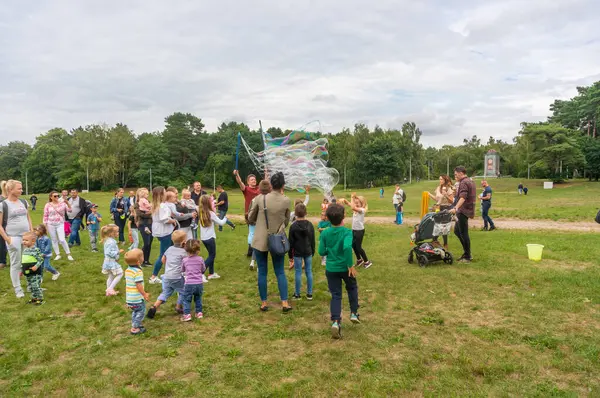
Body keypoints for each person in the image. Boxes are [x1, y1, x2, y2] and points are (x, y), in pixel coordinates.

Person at [247, 172, 292, 313]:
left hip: (260, 239)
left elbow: (250, 217)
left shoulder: (261, 199)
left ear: (272, 185)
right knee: (280, 271)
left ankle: (264, 302)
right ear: (283, 185)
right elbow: (286, 221)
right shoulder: (286, 200)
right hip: (277, 239)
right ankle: (284, 302)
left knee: (262, 272)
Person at [319, 204, 360, 339]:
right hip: (345, 268)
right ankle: (354, 313)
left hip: (331, 269)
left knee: (336, 295)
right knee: (352, 288)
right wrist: (350, 265)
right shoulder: (347, 232)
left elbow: (321, 251)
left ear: (328, 219)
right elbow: (347, 247)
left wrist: (328, 250)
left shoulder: (325, 232)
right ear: (344, 217)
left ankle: (336, 322)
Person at [147, 230, 187, 319]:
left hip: (167, 276)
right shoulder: (183, 252)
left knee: (166, 292)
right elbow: (186, 263)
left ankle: (154, 307)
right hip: (177, 276)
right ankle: (178, 307)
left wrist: (167, 266)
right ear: (183, 242)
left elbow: (163, 259)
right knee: (183, 291)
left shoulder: (169, 249)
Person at [149, 187, 177, 284]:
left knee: (168, 253)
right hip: (164, 231)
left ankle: (169, 273)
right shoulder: (162, 206)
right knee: (163, 254)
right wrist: (173, 220)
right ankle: (153, 276)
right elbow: (164, 219)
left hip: (159, 230)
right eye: (165, 192)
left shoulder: (156, 205)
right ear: (161, 194)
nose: (166, 193)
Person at [449, 166, 476, 263]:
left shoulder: (464, 182)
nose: (455, 176)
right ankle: (466, 252)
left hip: (463, 210)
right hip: (467, 209)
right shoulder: (470, 181)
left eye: (456, 174)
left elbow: (463, 197)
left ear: (461, 173)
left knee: (464, 233)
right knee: (457, 231)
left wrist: (455, 208)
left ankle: (468, 256)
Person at [288, 203, 315, 301]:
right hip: (308, 251)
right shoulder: (310, 225)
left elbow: (290, 242)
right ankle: (309, 294)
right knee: (309, 271)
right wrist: (313, 250)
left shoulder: (293, 226)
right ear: (306, 213)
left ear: (295, 214)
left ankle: (297, 294)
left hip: (298, 253)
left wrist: (290, 256)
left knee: (298, 272)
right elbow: (313, 240)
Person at [198, 195, 228, 280]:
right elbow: (221, 223)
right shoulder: (210, 213)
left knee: (211, 254)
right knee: (212, 255)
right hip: (210, 238)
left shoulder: (200, 212)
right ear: (208, 203)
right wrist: (225, 218)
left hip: (204, 238)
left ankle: (211, 273)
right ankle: (200, 273)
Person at [340, 194, 372, 268]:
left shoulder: (362, 210)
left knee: (358, 247)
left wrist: (352, 198)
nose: (356, 204)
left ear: (362, 204)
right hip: (354, 230)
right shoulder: (356, 208)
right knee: (354, 246)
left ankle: (367, 262)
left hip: (359, 231)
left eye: (357, 203)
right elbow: (349, 204)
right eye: (355, 202)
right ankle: (359, 260)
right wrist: (344, 200)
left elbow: (352, 207)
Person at [234, 170, 260, 258]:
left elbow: (266, 181)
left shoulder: (259, 189)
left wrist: (266, 171)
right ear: (248, 182)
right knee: (252, 232)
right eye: (252, 180)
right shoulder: (246, 189)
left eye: (255, 179)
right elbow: (240, 182)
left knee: (258, 232)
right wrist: (237, 174)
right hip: (250, 215)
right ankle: (251, 250)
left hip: (259, 214)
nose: (254, 181)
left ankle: (255, 250)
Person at [124, 248, 150, 335]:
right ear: (138, 262)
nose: (143, 257)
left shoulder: (128, 270)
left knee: (135, 312)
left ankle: (135, 324)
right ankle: (135, 328)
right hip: (136, 298)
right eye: (142, 256)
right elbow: (138, 285)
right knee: (141, 312)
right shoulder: (138, 272)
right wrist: (144, 294)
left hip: (129, 298)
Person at [43, 191, 74, 261]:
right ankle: (58, 254)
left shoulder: (62, 204)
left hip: (60, 223)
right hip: (50, 223)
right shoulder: (47, 205)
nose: (57, 197)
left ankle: (68, 254)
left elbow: (70, 210)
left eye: (57, 195)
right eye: (55, 196)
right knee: (54, 240)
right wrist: (45, 225)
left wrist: (67, 203)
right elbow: (45, 215)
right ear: (51, 197)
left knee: (62, 239)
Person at [181, 239, 207, 322]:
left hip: (189, 283)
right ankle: (199, 313)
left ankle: (187, 314)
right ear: (198, 250)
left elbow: (182, 269)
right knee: (198, 298)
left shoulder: (185, 260)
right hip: (199, 283)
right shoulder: (200, 259)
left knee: (186, 299)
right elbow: (203, 269)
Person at [428, 175, 455, 249]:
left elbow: (452, 201)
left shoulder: (449, 189)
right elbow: (437, 199)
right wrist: (429, 194)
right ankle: (434, 241)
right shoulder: (438, 188)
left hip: (446, 209)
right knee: (436, 225)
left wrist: (446, 195)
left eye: (441, 179)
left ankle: (444, 243)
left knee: (443, 227)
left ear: (445, 180)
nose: (440, 180)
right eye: (439, 179)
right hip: (439, 208)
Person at [21, 231, 45, 305]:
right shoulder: (25, 250)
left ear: (33, 241)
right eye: (23, 240)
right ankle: (34, 299)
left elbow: (40, 259)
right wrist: (22, 270)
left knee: (35, 286)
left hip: (35, 273)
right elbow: (24, 261)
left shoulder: (35, 250)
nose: (24, 242)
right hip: (28, 272)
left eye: (26, 240)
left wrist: (36, 266)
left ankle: (40, 299)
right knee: (30, 286)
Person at [101, 224, 124, 296]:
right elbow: (108, 252)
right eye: (117, 232)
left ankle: (108, 293)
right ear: (111, 233)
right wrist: (118, 252)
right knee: (120, 273)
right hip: (111, 262)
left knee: (111, 276)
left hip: (108, 262)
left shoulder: (109, 240)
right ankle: (110, 289)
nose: (118, 233)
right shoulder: (111, 242)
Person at [134, 188, 153, 266]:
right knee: (146, 243)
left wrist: (151, 212)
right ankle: (139, 259)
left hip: (150, 224)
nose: (147, 195)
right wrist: (150, 213)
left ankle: (146, 260)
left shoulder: (148, 202)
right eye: (146, 194)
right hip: (143, 225)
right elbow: (141, 214)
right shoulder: (137, 204)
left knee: (150, 243)